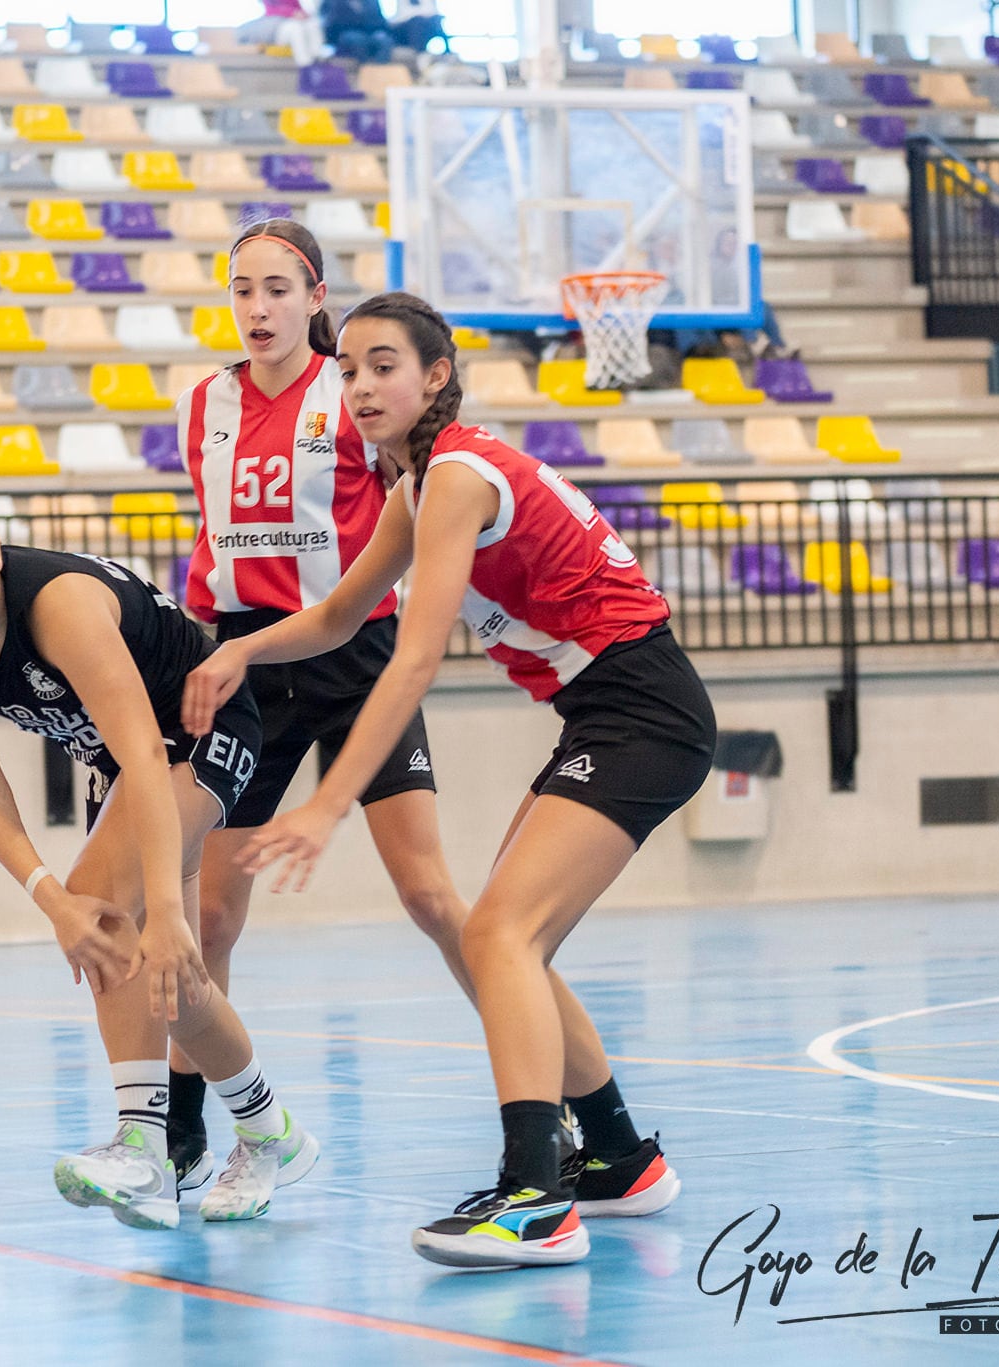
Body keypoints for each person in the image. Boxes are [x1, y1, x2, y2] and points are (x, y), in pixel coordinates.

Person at [183, 291, 715, 1270]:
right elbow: (342, 613)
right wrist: (239, 651)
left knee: (496, 930)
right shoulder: (415, 491)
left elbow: (412, 657)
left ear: (434, 375)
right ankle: (621, 1156)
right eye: (344, 369)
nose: (358, 384)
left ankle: (531, 1197)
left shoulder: (459, 475)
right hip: (606, 713)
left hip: (644, 709)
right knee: (513, 935)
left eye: (381, 364)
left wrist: (326, 804)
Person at [0, 476, 318, 1229]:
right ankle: (270, 1130)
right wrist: (50, 897)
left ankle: (143, 1145)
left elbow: (144, 746)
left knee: (114, 909)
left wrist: (167, 906)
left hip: (202, 730)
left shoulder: (60, 606)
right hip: (122, 759)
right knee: (164, 972)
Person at [165, 219, 470, 1193]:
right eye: (240, 288)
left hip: (352, 650)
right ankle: (184, 1132)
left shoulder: (350, 405)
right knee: (207, 916)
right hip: (245, 659)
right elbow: (213, 539)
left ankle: (534, 1063)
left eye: (275, 289)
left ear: (312, 298)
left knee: (426, 893)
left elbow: (410, 513)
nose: (255, 307)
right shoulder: (203, 404)